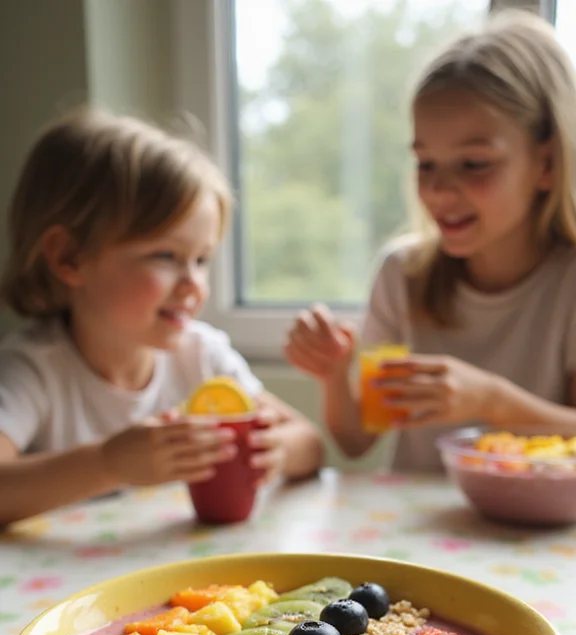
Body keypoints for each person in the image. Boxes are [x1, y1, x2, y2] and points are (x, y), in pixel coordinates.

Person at [0, 108, 323, 525]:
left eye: (201, 260)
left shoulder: (201, 355)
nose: (193, 284)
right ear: (70, 257)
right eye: (166, 256)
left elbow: (310, 442)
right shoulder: (33, 369)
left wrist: (277, 450)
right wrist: (108, 463)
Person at [285, 10, 576, 472]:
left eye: (473, 164)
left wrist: (491, 399)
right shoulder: (402, 275)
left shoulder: (567, 285)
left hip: (533, 518)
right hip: (414, 516)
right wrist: (335, 374)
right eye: (426, 164)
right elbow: (356, 440)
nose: (439, 191)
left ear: (547, 164)